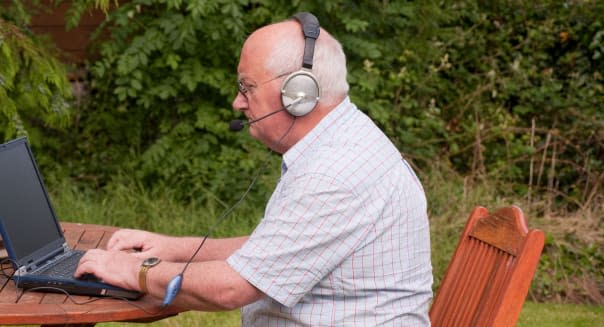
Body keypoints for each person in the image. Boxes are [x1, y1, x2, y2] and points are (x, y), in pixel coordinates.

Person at [75, 12, 433, 326]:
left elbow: (231, 288)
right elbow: (277, 249)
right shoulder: (342, 141)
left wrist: (128, 269)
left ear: (299, 95)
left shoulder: (333, 175)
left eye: (247, 88)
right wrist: (176, 249)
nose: (237, 102)